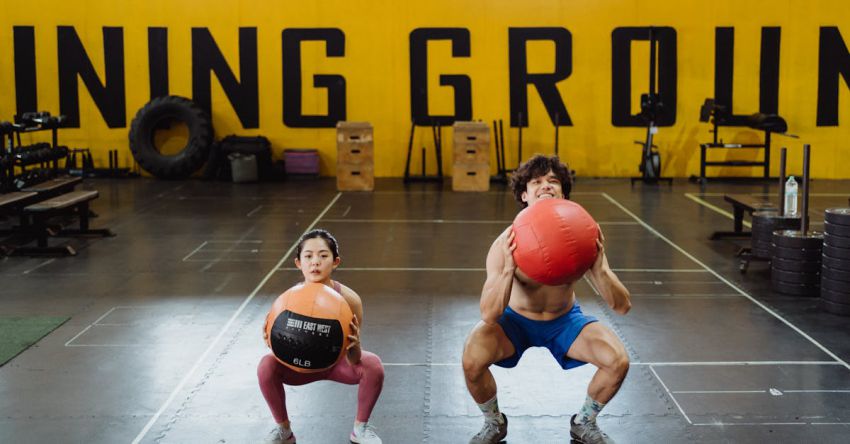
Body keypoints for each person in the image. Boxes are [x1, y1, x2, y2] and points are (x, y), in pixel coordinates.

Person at [462, 155, 632, 444]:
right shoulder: (505, 244)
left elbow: (622, 305)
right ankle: (493, 422)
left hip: (564, 320)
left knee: (617, 360)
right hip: (513, 322)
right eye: (537, 182)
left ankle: (584, 421)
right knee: (472, 358)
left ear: (563, 193)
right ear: (524, 195)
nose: (546, 186)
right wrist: (507, 270)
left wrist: (599, 267)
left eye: (553, 181)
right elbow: (490, 315)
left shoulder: (581, 235)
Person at [258, 229, 385, 444]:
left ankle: (360, 429)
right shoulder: (289, 300)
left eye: (323, 256)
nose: (315, 262)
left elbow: (353, 359)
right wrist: (273, 340)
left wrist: (356, 345)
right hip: (300, 368)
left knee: (373, 365)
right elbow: (281, 353)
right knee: (266, 365)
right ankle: (284, 431)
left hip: (337, 364)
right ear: (298, 263)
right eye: (308, 256)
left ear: (335, 262)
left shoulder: (350, 300)